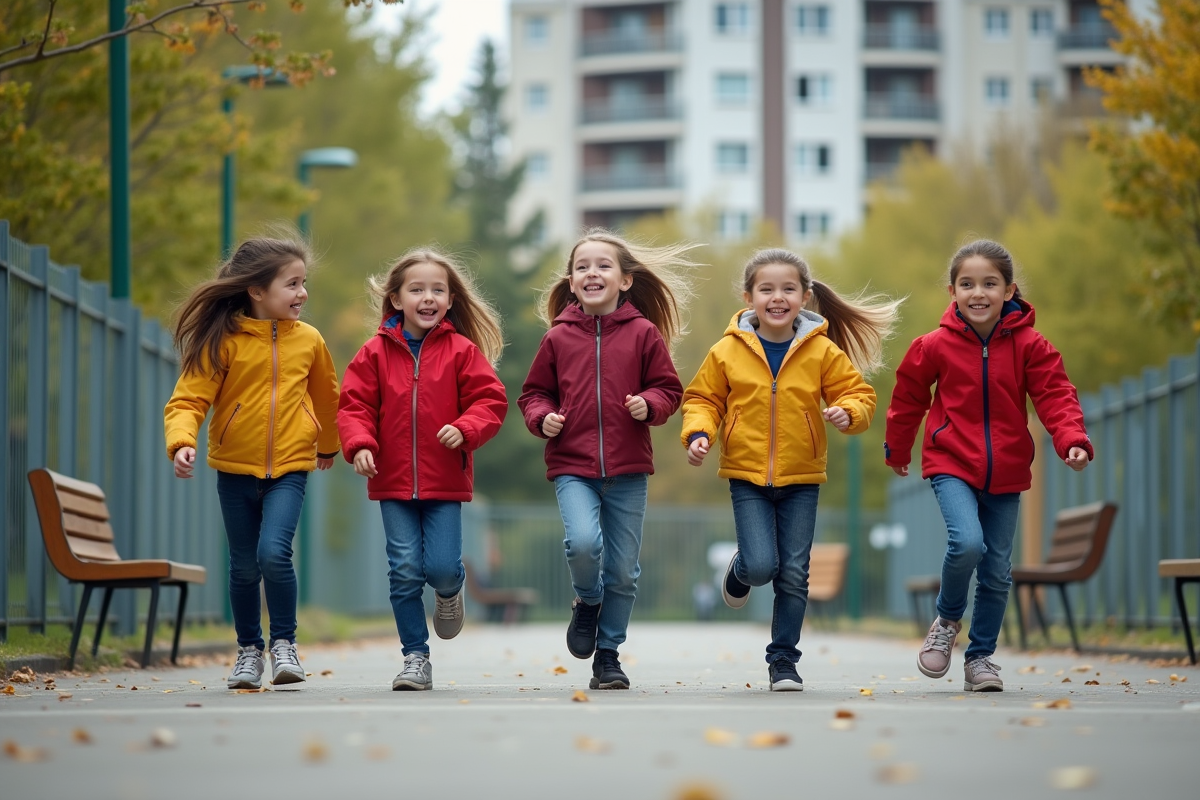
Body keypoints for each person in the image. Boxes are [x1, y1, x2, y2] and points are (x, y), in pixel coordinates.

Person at [681, 248, 900, 691]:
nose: (777, 297)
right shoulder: (727, 350)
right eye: (766, 289)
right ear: (749, 297)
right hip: (746, 475)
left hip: (802, 478)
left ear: (805, 296)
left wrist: (847, 413)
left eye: (787, 289)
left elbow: (860, 395)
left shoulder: (821, 351)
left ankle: (783, 661)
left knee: (794, 572)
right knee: (762, 565)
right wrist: (699, 433)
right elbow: (703, 399)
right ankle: (741, 571)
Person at [885, 239, 1092, 692]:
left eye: (989, 283)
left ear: (1009, 290)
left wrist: (1071, 439)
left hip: (1007, 471)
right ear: (952, 290)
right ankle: (946, 620)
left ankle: (980, 659)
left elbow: (1055, 395)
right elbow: (908, 400)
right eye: (967, 284)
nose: (978, 293)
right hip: (951, 462)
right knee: (967, 543)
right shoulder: (933, 346)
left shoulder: (1030, 345)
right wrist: (898, 450)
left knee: (997, 569)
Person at [518, 229, 697, 690]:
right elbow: (534, 394)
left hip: (629, 468)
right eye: (582, 267)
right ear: (572, 282)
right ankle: (587, 600)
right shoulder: (557, 338)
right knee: (582, 544)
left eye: (603, 265)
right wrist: (543, 419)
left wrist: (650, 405)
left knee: (623, 569)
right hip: (573, 466)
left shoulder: (643, 333)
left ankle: (609, 657)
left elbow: (669, 389)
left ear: (625, 280)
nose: (591, 272)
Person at [164, 235, 340, 691]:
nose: (303, 293)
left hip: (290, 470)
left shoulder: (311, 341)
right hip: (234, 470)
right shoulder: (224, 341)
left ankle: (284, 645)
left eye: (304, 283)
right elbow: (189, 398)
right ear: (256, 290)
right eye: (293, 283)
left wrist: (329, 446)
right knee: (243, 565)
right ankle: (247, 651)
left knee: (273, 554)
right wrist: (182, 440)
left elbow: (328, 397)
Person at [338, 249, 507, 691]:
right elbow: (354, 405)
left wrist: (466, 428)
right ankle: (415, 657)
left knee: (442, 568)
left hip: (445, 482)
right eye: (417, 289)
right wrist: (359, 445)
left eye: (437, 290)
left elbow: (490, 402)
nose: (427, 297)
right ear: (396, 299)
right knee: (404, 568)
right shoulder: (374, 353)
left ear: (450, 301)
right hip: (391, 482)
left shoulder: (462, 351)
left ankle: (451, 593)